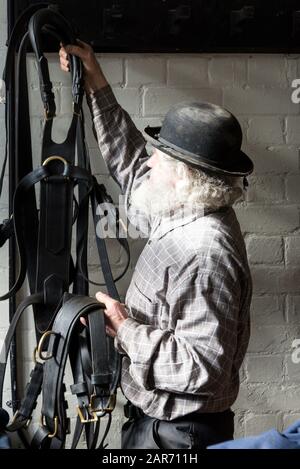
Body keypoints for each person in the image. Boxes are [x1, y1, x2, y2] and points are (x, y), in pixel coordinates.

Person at [59, 40, 253, 449]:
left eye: (160, 157)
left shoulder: (205, 253)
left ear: (183, 175)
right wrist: (94, 79)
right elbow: (131, 164)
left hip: (179, 435)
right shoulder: (186, 204)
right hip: (158, 425)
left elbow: (204, 368)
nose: (149, 161)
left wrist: (124, 329)